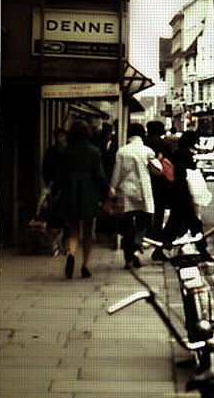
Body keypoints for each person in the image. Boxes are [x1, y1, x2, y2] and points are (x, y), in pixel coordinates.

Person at [52, 118, 109, 279]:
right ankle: (85, 265)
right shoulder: (94, 151)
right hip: (89, 194)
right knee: (89, 231)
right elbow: (99, 175)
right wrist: (107, 190)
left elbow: (59, 176)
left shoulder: (66, 152)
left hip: (70, 194)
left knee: (73, 230)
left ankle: (71, 254)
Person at [161, 131, 214, 262]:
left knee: (177, 224)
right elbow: (185, 175)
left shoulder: (178, 153)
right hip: (184, 194)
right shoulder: (184, 155)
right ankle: (203, 252)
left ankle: (161, 249)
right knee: (193, 224)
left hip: (179, 194)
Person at [108, 123, 156, 268]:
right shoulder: (148, 151)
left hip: (126, 191)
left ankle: (128, 257)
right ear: (142, 134)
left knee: (127, 224)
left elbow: (117, 172)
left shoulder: (122, 152)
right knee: (142, 223)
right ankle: (137, 246)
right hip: (143, 191)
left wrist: (112, 187)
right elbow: (156, 170)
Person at [145, 120, 176, 261]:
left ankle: (141, 242)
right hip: (160, 184)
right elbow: (171, 165)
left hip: (144, 183)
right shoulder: (165, 145)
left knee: (143, 214)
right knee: (158, 213)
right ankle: (158, 248)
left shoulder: (144, 143)